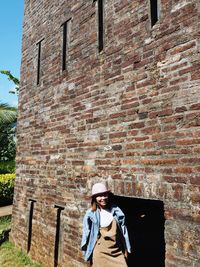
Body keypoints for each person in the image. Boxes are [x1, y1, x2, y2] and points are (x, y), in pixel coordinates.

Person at [81, 182, 131, 266]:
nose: (103, 198)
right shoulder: (91, 214)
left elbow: (123, 231)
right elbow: (86, 234)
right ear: (94, 198)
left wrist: (126, 248)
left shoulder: (116, 210)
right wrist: (88, 254)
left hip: (116, 250)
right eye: (99, 196)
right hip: (100, 252)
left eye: (105, 195)